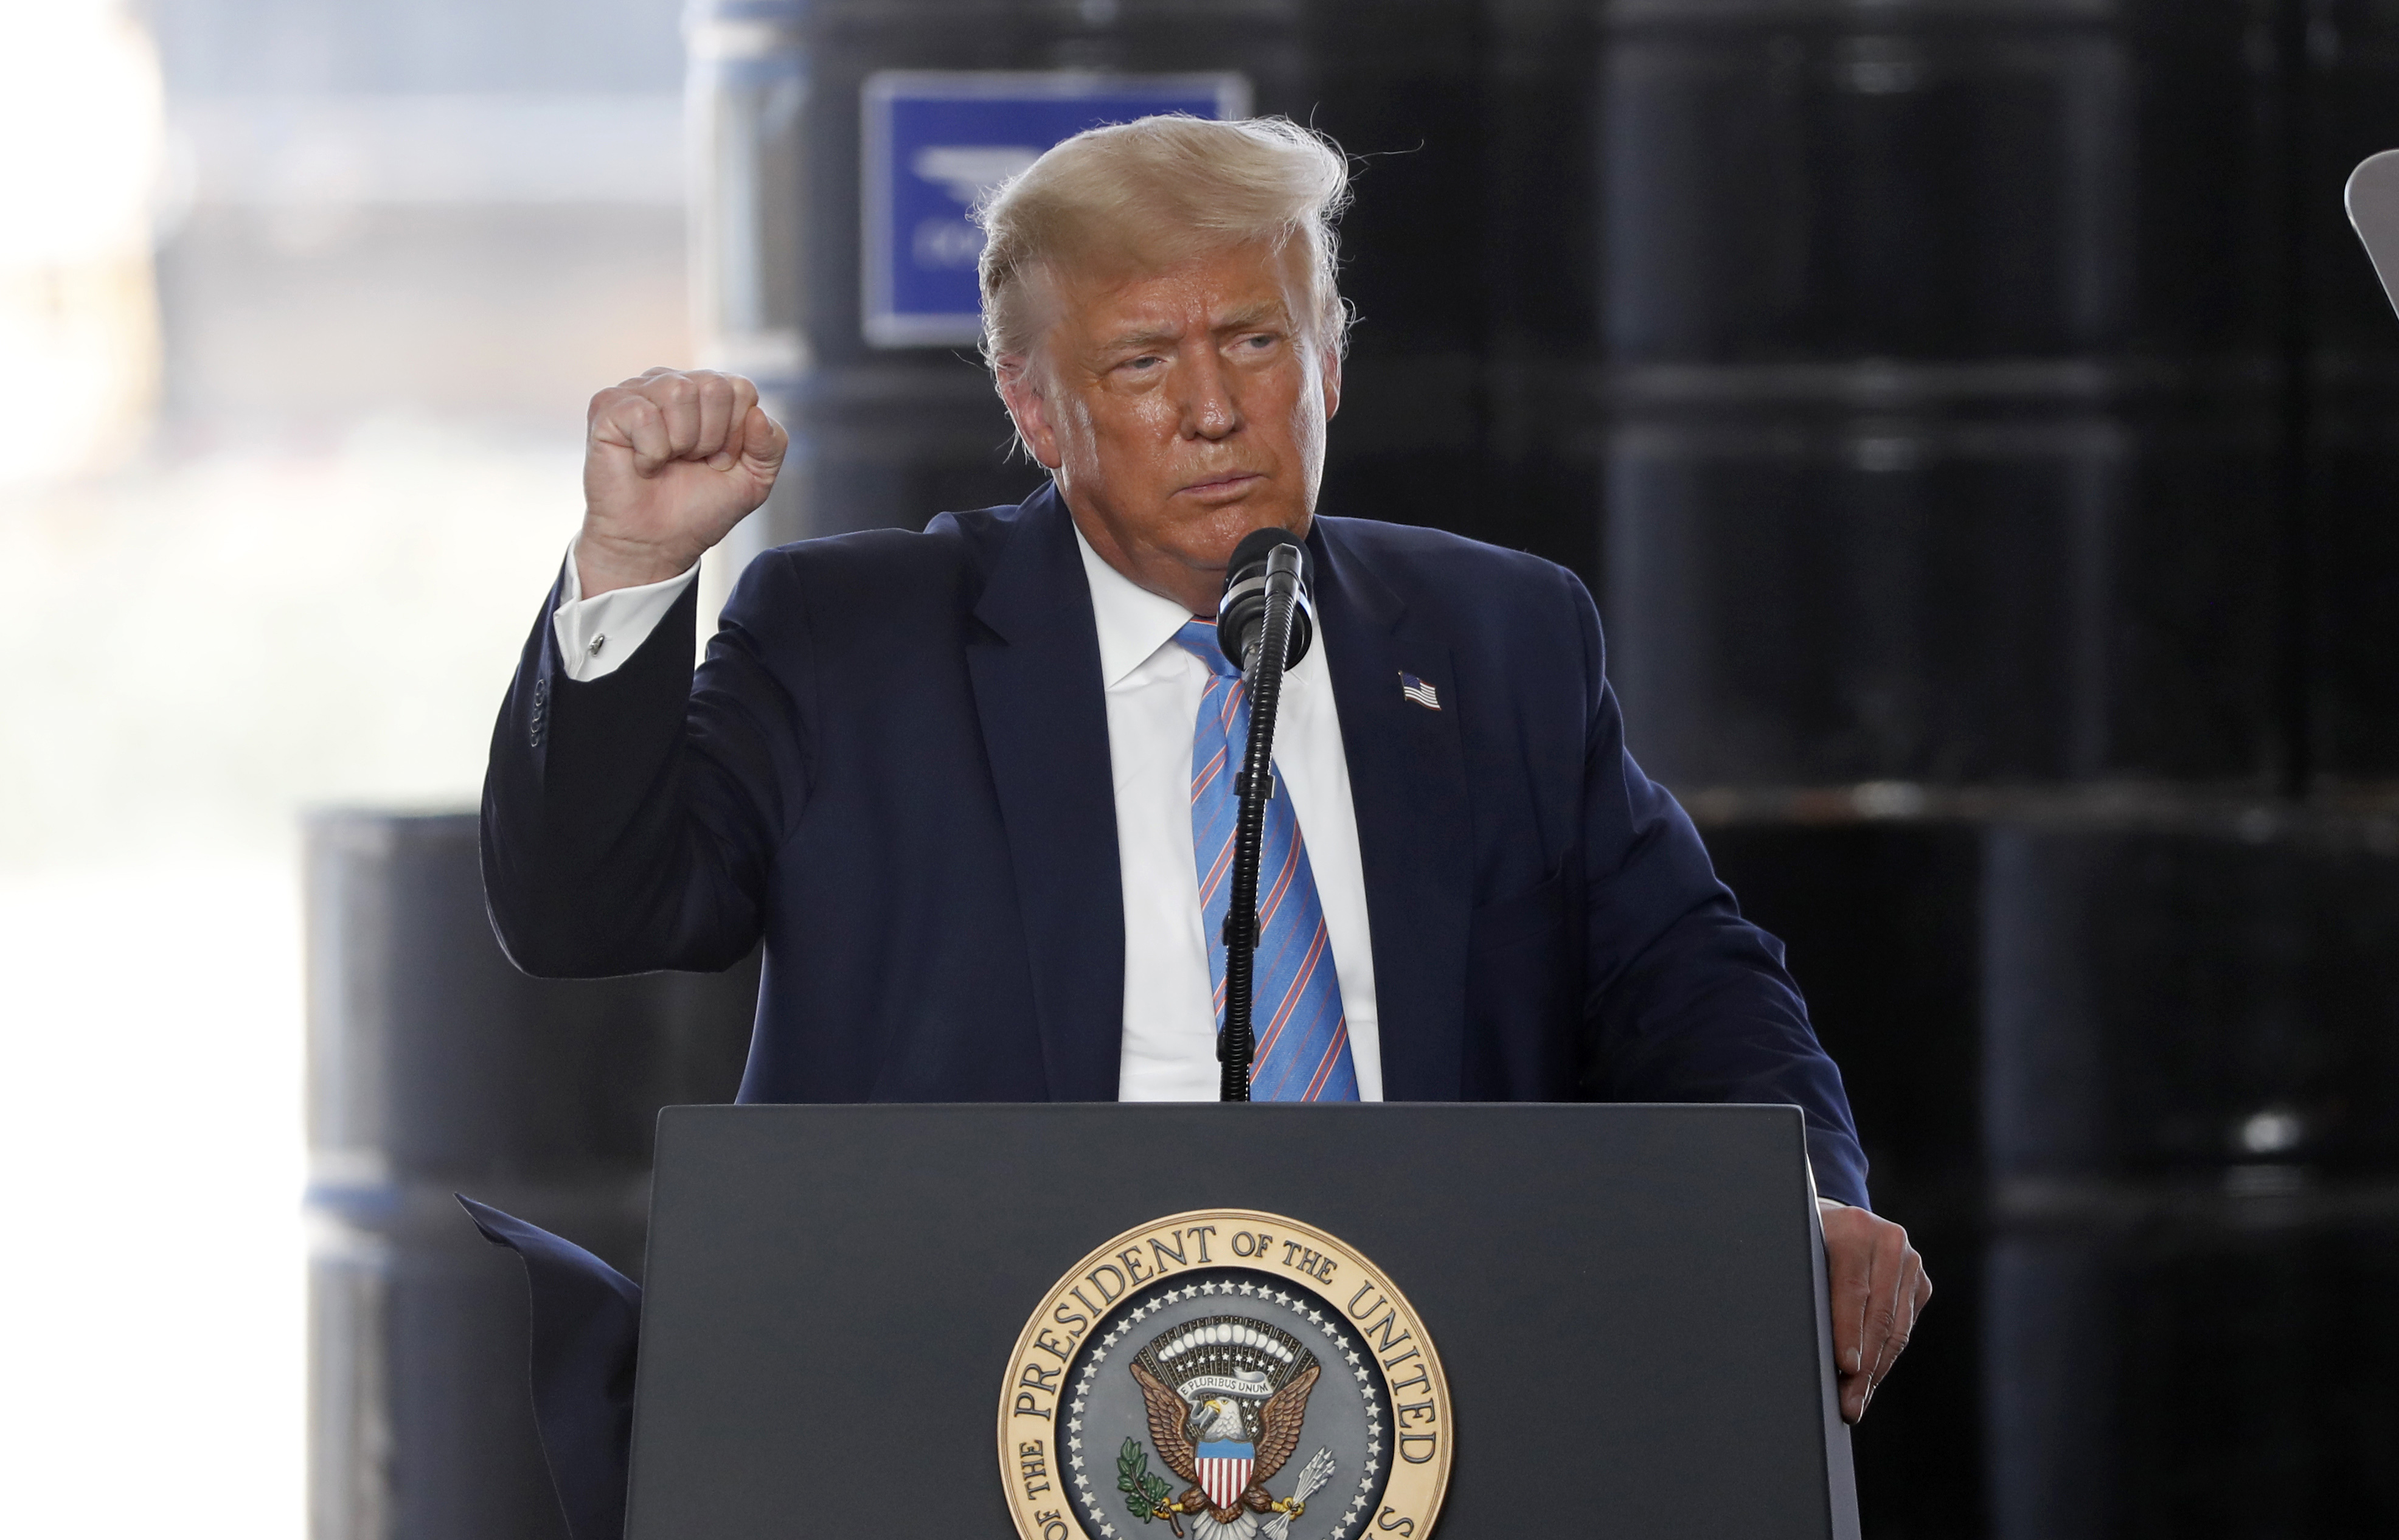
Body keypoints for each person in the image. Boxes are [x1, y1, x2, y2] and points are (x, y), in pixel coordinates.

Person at [481, 115, 1928, 1426]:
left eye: (1253, 341)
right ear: (1036, 410)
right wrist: (633, 569)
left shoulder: (1499, 638)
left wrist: (1793, 1204)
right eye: (1140, 362)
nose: (1214, 408)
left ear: (1331, 365)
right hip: (947, 1413)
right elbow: (584, 910)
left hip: (1437, 1406)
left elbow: (1691, 977)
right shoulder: (852, 641)